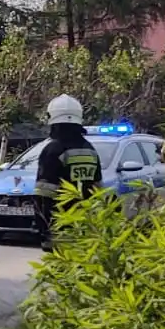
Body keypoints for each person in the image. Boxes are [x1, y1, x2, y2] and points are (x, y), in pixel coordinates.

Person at [33, 94, 104, 253]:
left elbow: (44, 194)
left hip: (61, 223)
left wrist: (41, 225)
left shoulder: (52, 150)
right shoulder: (90, 149)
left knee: (60, 268)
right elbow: (98, 189)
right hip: (86, 224)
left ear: (53, 122)